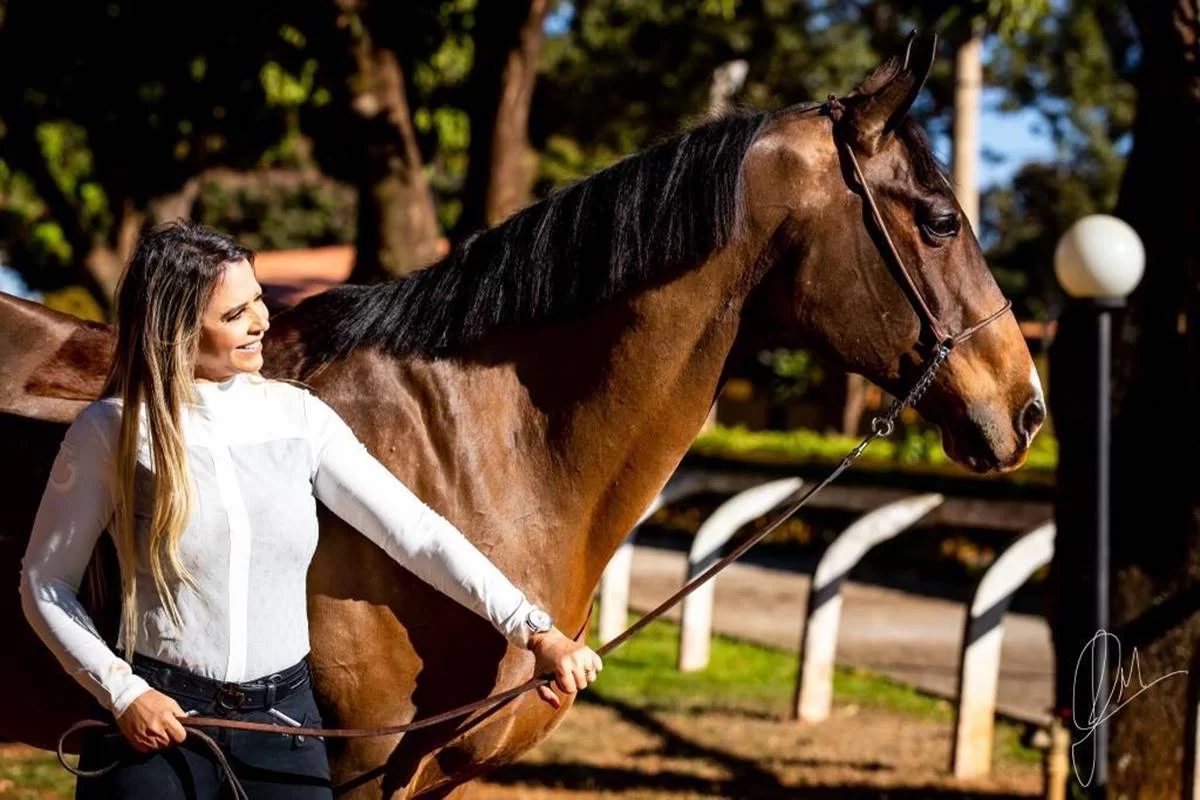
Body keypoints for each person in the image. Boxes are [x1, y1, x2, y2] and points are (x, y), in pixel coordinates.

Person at [18, 220, 602, 799]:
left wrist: (536, 631)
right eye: (234, 315)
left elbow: (418, 533)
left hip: (284, 725)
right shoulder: (115, 431)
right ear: (177, 330)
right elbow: (46, 582)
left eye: (257, 300)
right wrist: (123, 694)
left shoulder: (300, 418)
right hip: (160, 718)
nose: (261, 322)